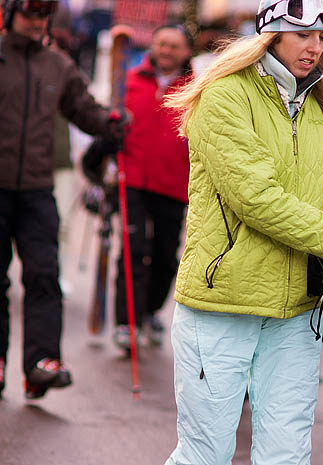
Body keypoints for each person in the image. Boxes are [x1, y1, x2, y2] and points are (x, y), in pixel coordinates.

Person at [161, 0, 323, 463]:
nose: (315, 47)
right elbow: (256, 200)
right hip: (223, 302)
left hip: (295, 312)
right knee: (206, 454)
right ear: (272, 32)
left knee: (286, 454)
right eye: (303, 35)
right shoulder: (226, 95)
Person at [0, 0, 124, 399]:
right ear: (9, 14)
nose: (36, 23)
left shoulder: (58, 65)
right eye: (29, 15)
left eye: (42, 16)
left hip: (36, 189)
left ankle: (41, 364)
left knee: (44, 275)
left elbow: (83, 109)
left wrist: (111, 122)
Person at [107, 23, 193, 351]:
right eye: (161, 44)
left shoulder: (195, 89)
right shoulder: (128, 82)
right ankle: (126, 322)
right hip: (133, 181)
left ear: (185, 51)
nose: (166, 51)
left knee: (165, 256)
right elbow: (110, 122)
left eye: (174, 46)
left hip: (173, 185)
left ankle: (150, 311)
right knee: (132, 248)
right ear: (152, 46)